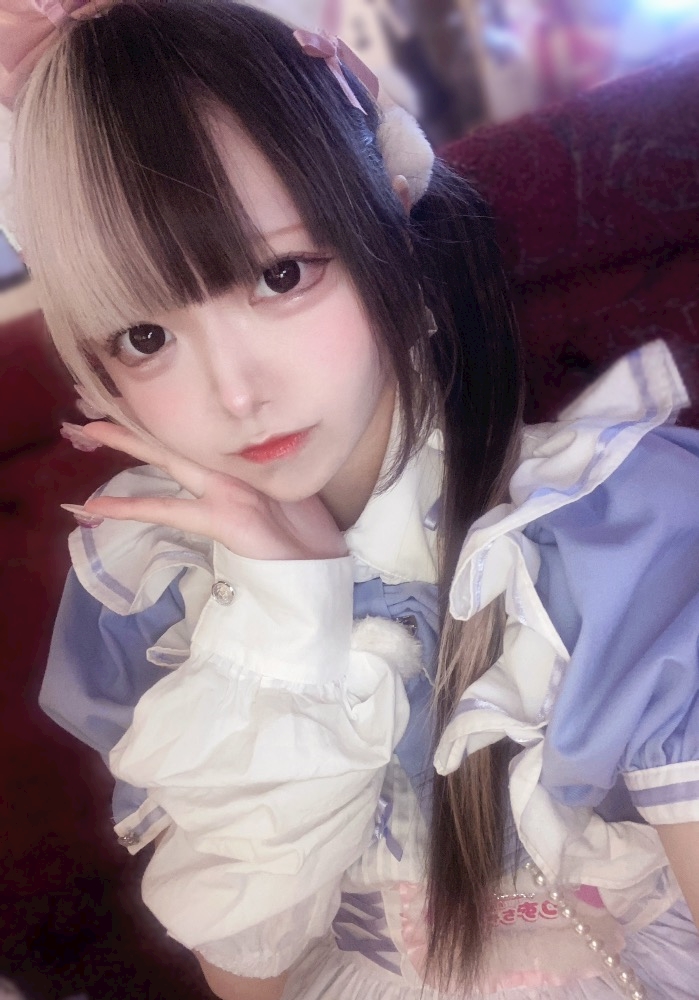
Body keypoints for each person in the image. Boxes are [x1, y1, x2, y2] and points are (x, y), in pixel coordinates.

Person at [4, 1, 699, 998]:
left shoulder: (619, 532)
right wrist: (283, 628)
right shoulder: (150, 593)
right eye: (144, 337)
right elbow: (251, 983)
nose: (236, 394)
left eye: (281, 274)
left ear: (391, 220)